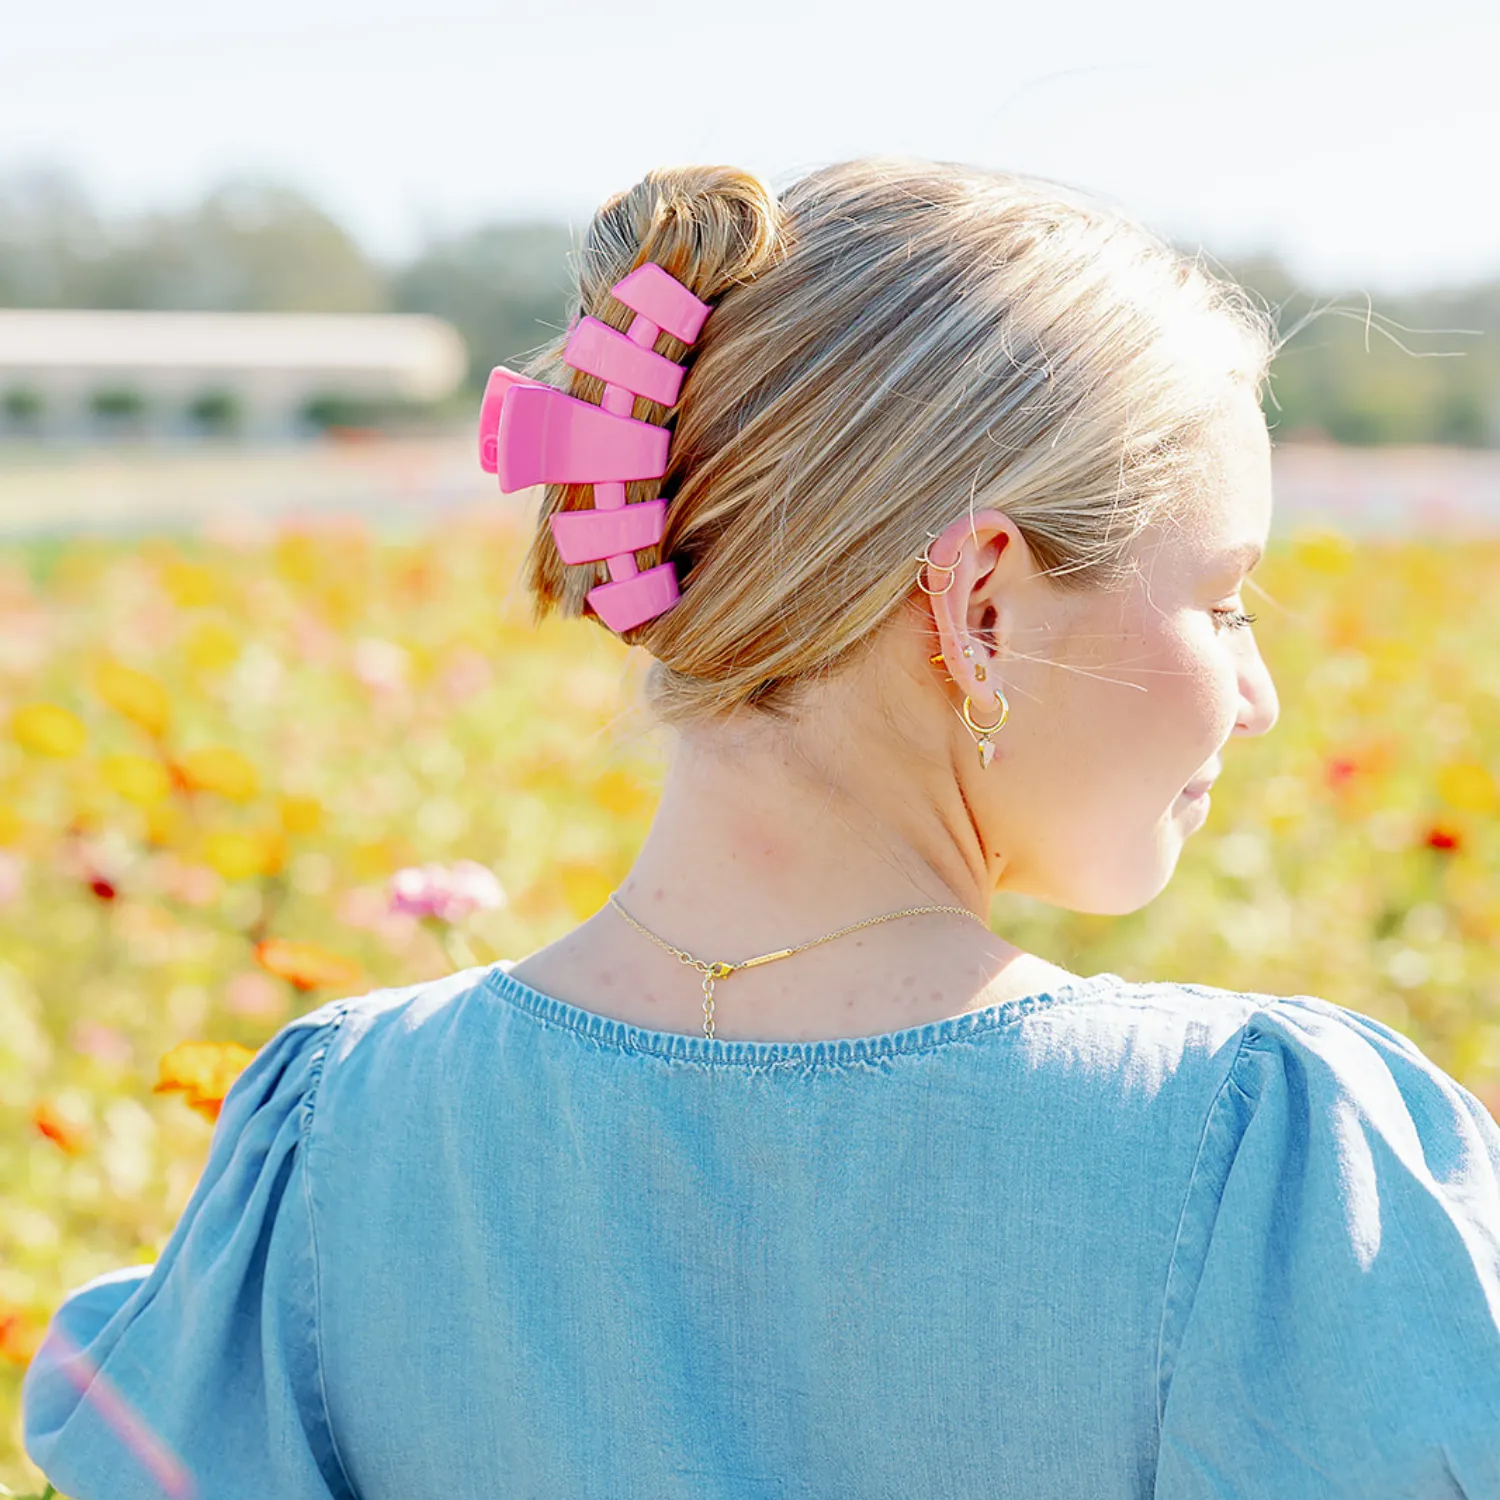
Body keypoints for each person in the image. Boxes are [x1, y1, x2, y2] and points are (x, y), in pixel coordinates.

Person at [22, 158, 1500, 1498]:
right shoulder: (1264, 1163)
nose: (1258, 697)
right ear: (980, 605)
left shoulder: (335, 1139)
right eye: (1224, 598)